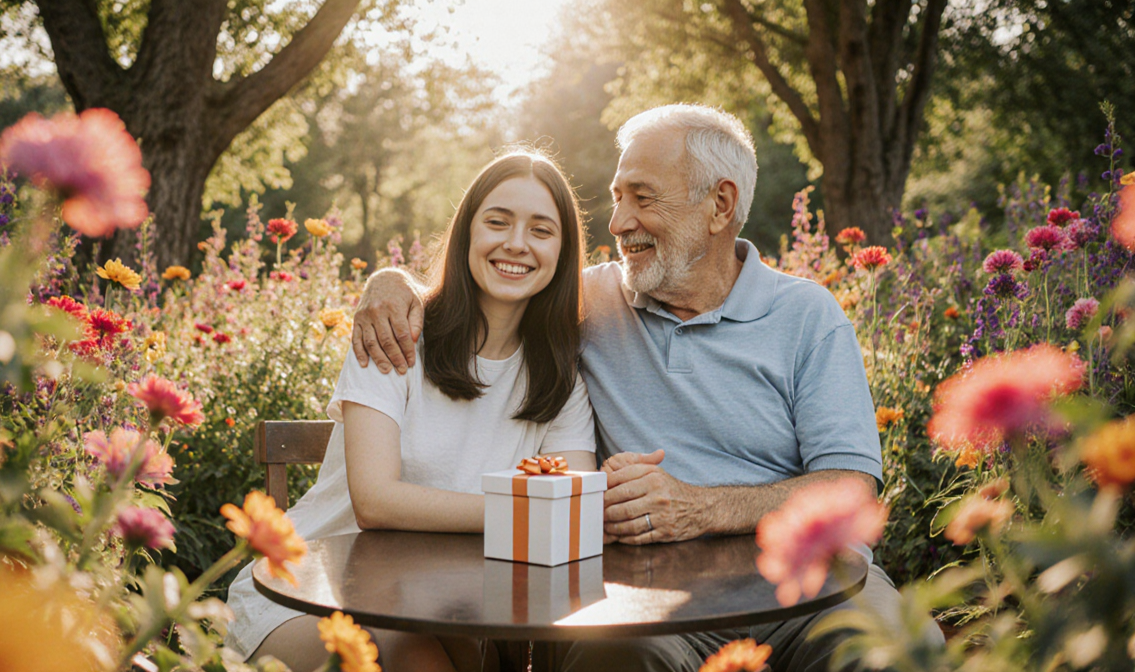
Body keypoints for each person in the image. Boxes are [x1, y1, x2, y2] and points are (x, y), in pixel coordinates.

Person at [351, 104, 943, 671]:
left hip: (813, 589)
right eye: (616, 198)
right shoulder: (587, 302)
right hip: (650, 603)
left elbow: (850, 487)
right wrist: (390, 280)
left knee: (900, 652)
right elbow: (497, 279)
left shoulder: (807, 315)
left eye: (642, 197)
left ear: (720, 204)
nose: (617, 223)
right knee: (614, 657)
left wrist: (703, 508)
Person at [224, 152, 598, 672]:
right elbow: (375, 502)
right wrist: (527, 515)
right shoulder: (395, 332)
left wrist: (552, 514)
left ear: (563, 250)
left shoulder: (558, 378)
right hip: (312, 591)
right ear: (466, 232)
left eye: (541, 229)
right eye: (497, 221)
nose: (516, 243)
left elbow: (571, 510)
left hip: (451, 603)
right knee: (424, 661)